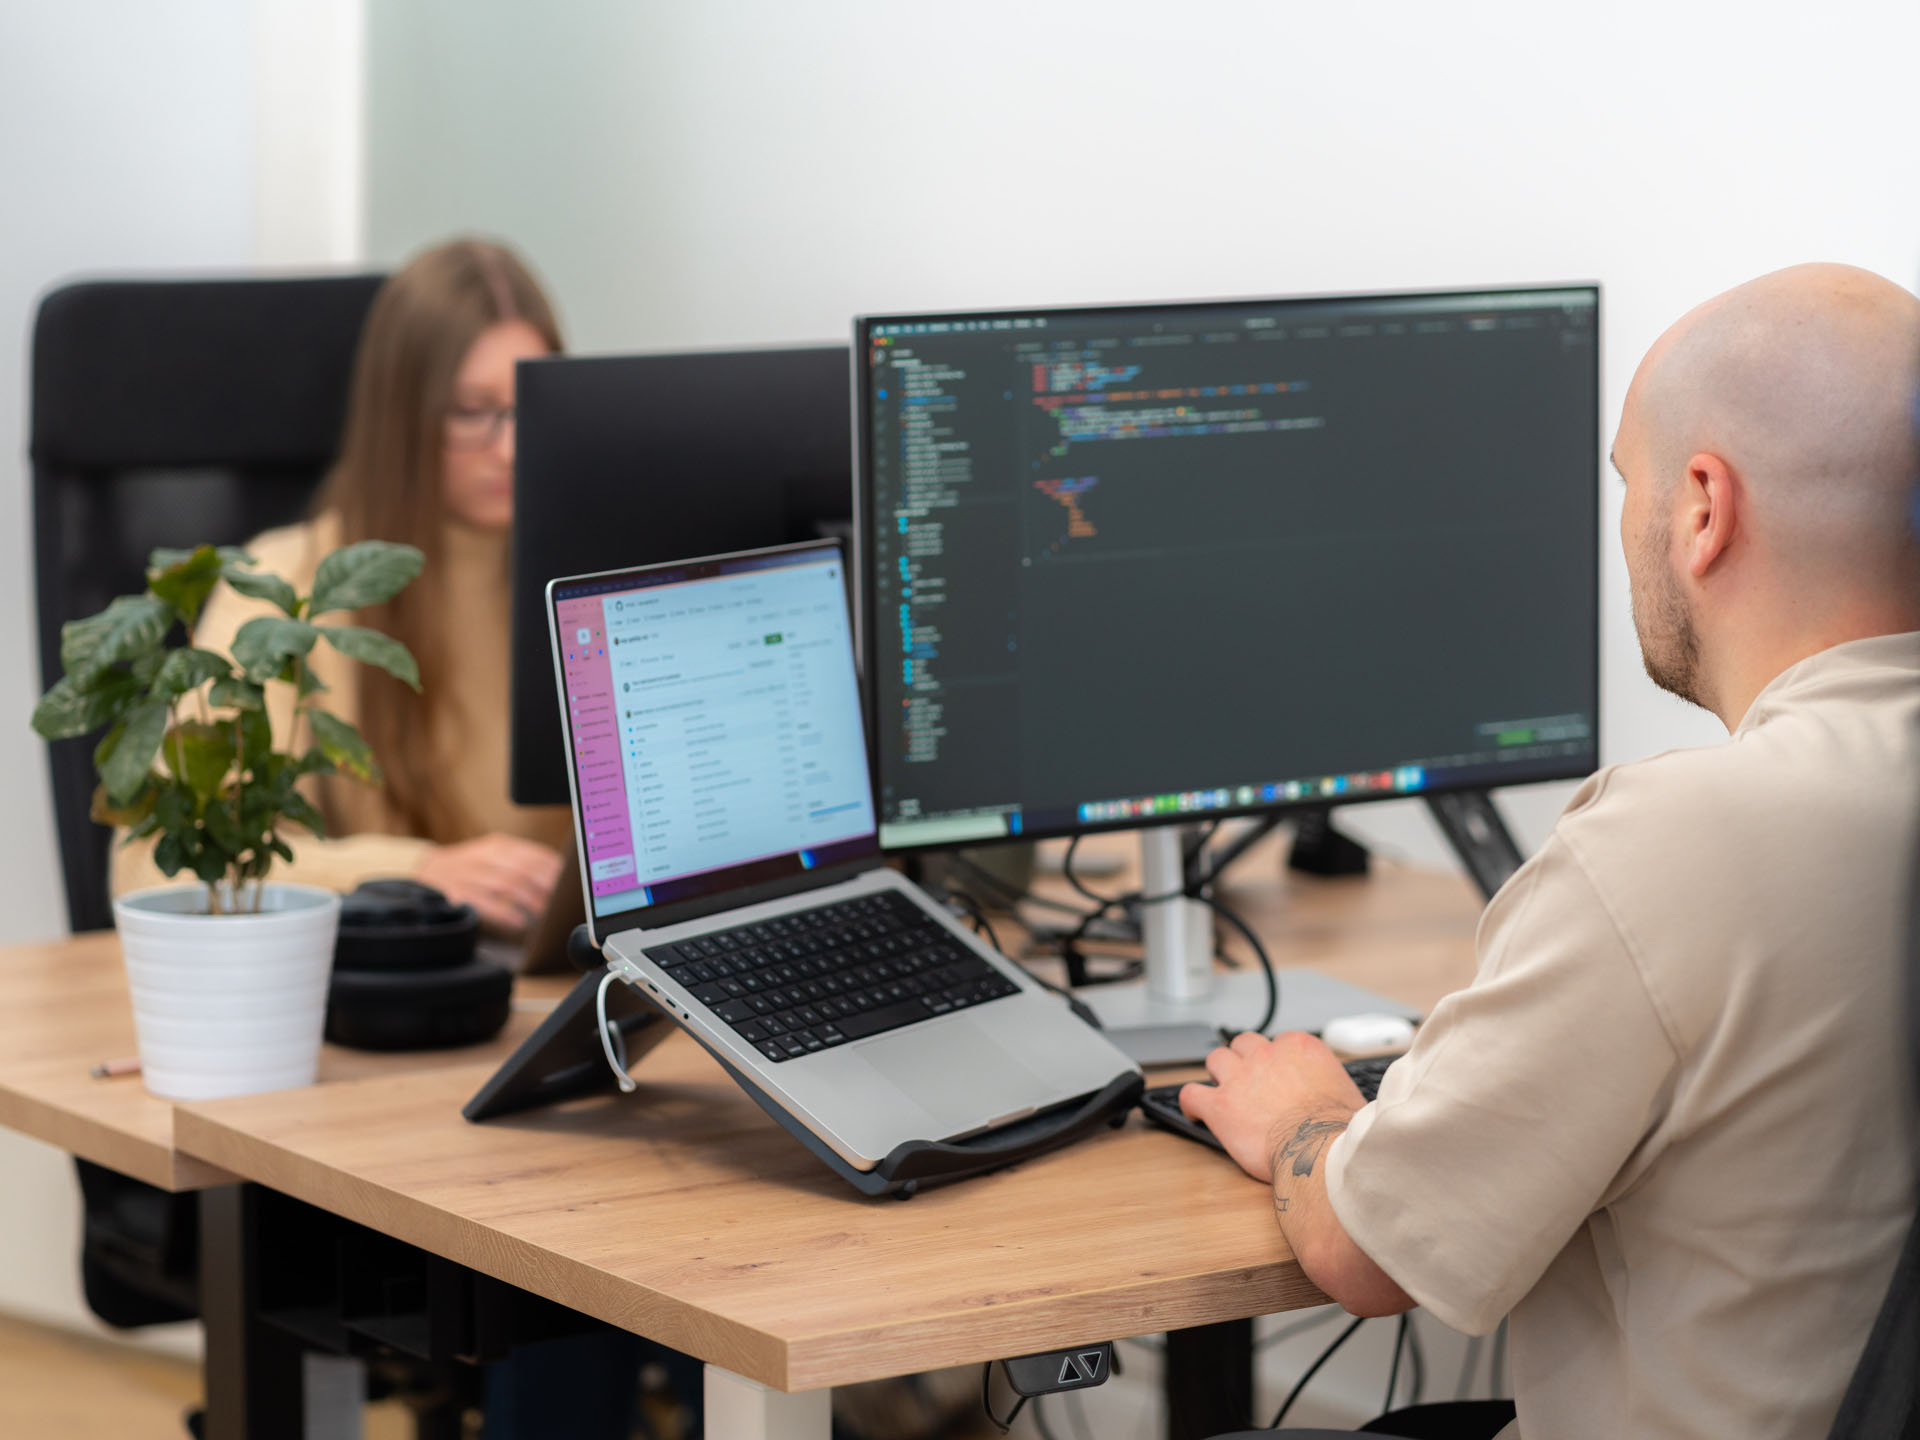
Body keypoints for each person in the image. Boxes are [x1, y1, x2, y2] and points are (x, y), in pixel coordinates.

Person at [1183, 264, 1920, 1439]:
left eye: (1627, 483)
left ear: (1701, 508)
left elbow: (1365, 1255)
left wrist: (1306, 1120)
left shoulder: (1680, 842)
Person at [112, 238, 570, 936]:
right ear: (403, 418)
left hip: (562, 984)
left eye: (529, 406)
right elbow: (155, 863)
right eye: (472, 413)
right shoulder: (285, 589)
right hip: (400, 989)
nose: (509, 448)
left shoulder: (586, 576)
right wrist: (412, 875)